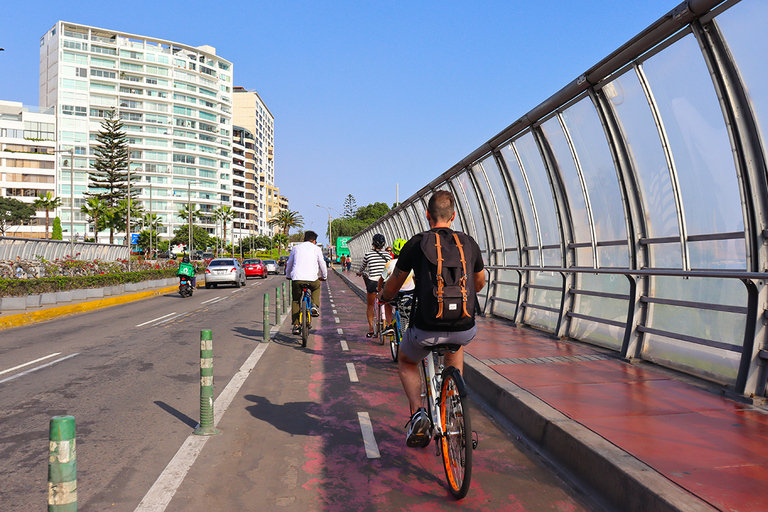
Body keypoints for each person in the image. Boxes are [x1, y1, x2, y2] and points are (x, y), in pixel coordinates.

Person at [378, 190, 485, 447]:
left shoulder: (417, 243)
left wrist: (383, 296)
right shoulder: (469, 243)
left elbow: (394, 284)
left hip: (426, 327)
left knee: (406, 360)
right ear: (454, 216)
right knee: (455, 346)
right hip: (464, 326)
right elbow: (479, 283)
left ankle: (418, 414)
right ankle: (455, 405)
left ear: (427, 215)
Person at [285, 231, 328, 335]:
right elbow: (322, 263)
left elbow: (289, 264)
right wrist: (324, 277)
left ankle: (296, 325)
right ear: (314, 240)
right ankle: (313, 305)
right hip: (312, 279)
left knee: (296, 300)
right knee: (317, 286)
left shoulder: (296, 248)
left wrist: (288, 276)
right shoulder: (316, 249)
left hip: (297, 279)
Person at [356, 233, 392, 338]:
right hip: (385, 282)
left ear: (373, 243)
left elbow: (363, 267)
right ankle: (387, 324)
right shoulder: (388, 255)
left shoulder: (368, 254)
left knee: (370, 305)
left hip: (372, 283)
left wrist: (359, 273)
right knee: (386, 302)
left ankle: (371, 328)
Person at [377, 238, 414, 335]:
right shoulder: (412, 263)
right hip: (410, 292)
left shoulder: (389, 264)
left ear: (393, 251)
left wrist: (380, 290)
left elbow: (381, 279)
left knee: (386, 302)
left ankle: (389, 325)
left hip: (395, 293)